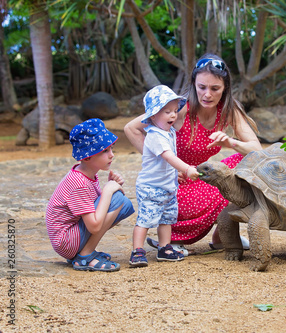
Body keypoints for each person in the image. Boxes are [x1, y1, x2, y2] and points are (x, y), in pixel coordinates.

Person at [124, 54, 262, 255]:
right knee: (223, 185)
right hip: (174, 182)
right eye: (201, 87)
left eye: (215, 88)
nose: (207, 94)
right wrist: (166, 165)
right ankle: (172, 238)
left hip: (198, 176)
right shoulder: (177, 108)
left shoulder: (229, 110)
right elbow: (131, 128)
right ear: (194, 84)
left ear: (225, 88)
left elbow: (257, 151)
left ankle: (223, 233)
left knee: (244, 164)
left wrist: (230, 142)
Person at [46, 118, 135, 272]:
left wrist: (112, 187)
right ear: (87, 156)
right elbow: (94, 226)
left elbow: (94, 205)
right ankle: (85, 257)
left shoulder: (86, 174)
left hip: (71, 237)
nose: (112, 155)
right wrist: (108, 190)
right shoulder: (78, 183)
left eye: (111, 149)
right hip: (66, 242)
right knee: (117, 199)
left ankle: (82, 253)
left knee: (123, 203)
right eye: (105, 151)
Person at [129, 85, 199, 267]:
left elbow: (164, 164)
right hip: (151, 188)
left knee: (167, 218)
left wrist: (175, 175)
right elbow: (168, 156)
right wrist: (186, 169)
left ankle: (165, 247)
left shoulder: (170, 133)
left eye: (175, 111)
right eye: (167, 111)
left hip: (167, 187)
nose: (173, 115)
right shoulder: (154, 135)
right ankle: (137, 250)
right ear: (153, 116)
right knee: (145, 219)